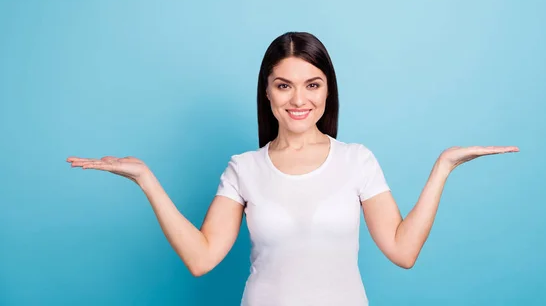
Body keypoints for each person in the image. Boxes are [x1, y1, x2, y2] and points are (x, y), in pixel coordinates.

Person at [66, 32, 519, 305]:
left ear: (327, 90)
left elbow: (403, 251)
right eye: (284, 85)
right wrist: (146, 180)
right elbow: (202, 258)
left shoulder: (356, 160)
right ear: (267, 92)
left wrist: (443, 167)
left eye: (312, 85)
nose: (299, 100)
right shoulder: (243, 168)